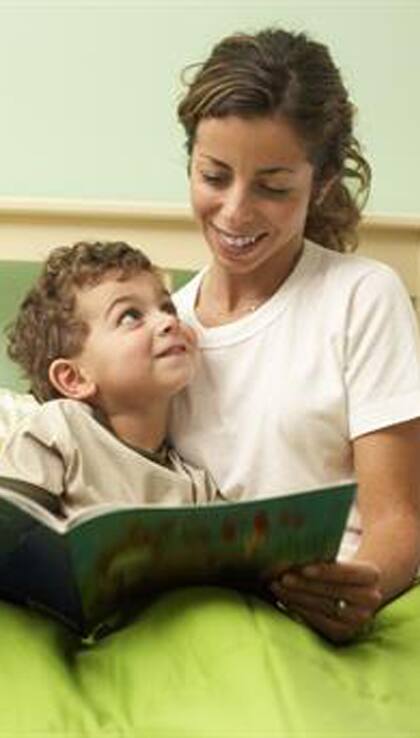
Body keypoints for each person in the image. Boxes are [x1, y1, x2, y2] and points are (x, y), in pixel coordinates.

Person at [170, 27, 420, 642]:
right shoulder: (164, 330)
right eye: (214, 177)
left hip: (324, 613)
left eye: (273, 187)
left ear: (323, 182)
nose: (235, 211)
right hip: (205, 619)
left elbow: (398, 521)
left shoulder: (361, 297)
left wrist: (361, 587)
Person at [0, 240, 216, 518]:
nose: (169, 321)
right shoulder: (60, 429)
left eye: (167, 308)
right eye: (130, 316)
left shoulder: (196, 486)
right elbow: (10, 527)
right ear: (74, 378)